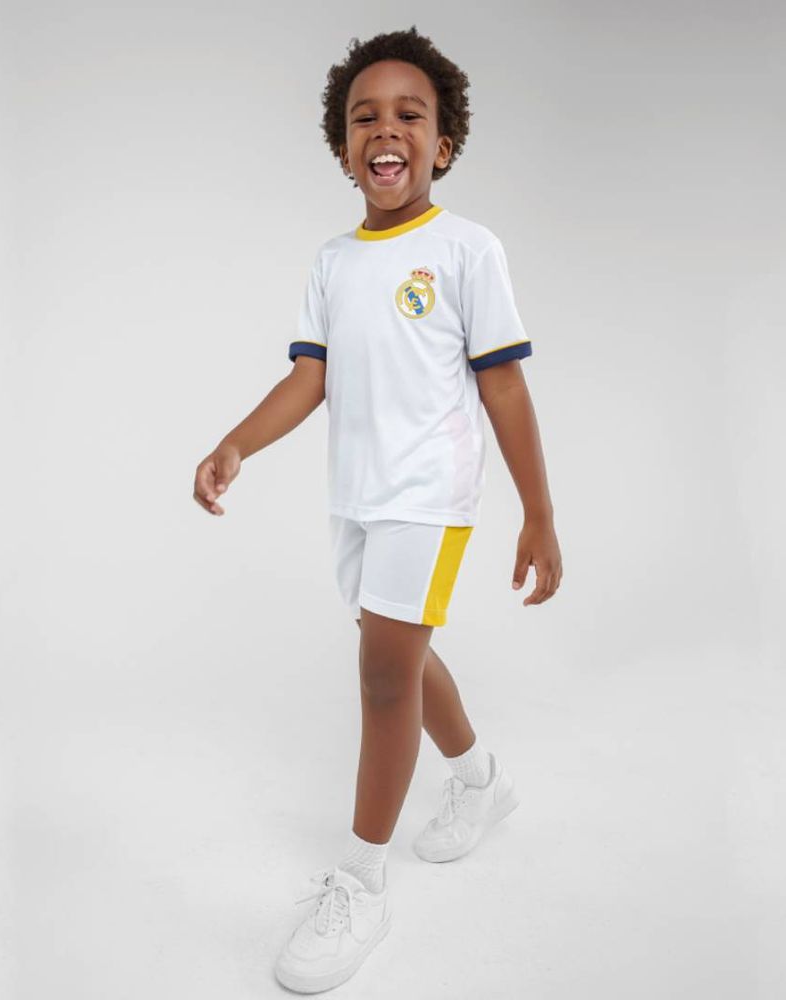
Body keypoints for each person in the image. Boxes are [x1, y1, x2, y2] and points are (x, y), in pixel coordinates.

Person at [193, 26, 562, 995]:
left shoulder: (467, 249)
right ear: (343, 145)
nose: (385, 130)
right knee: (397, 652)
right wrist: (236, 443)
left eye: (409, 115)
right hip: (355, 498)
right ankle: (481, 784)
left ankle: (360, 885)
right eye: (365, 117)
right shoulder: (333, 261)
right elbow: (308, 379)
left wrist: (538, 513)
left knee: (384, 675)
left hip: (428, 498)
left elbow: (505, 386)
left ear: (443, 143)